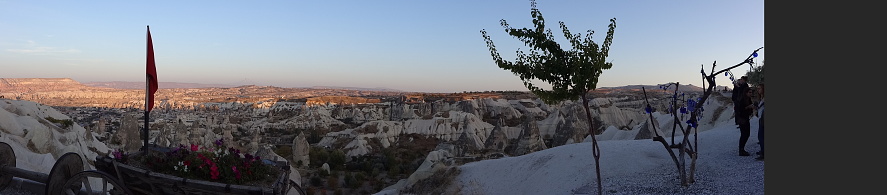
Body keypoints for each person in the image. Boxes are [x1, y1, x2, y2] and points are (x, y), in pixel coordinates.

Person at [736, 85, 755, 156]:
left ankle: (742, 149)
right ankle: (741, 150)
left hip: (746, 118)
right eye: (749, 92)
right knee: (744, 134)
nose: (751, 94)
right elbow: (740, 110)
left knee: (746, 134)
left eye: (751, 92)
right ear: (746, 93)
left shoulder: (748, 99)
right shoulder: (742, 100)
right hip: (742, 119)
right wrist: (748, 107)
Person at [755, 83, 765, 161]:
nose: (758, 90)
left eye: (760, 88)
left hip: (763, 119)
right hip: (761, 118)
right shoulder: (761, 98)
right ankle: (762, 151)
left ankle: (763, 153)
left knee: (761, 136)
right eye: (757, 88)